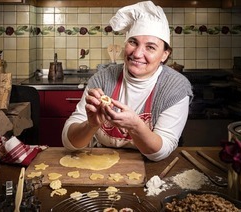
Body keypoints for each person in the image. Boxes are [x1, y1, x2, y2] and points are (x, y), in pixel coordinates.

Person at [62, 1, 193, 161]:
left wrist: (135, 126)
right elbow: (69, 142)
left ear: (165, 54)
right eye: (133, 42)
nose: (137, 53)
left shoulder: (175, 87)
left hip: (151, 168)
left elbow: (161, 152)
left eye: (150, 47)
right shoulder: (103, 78)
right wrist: (91, 125)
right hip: (99, 161)